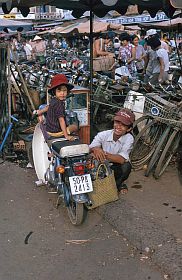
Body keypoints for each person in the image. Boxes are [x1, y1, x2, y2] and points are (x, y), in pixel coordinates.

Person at [89, 108, 135, 194]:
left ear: (128, 129)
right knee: (90, 161)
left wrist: (102, 153)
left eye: (123, 125)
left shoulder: (129, 138)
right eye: (117, 122)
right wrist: (95, 149)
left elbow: (121, 159)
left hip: (115, 165)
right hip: (102, 164)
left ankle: (118, 184)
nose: (118, 126)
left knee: (126, 166)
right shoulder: (103, 134)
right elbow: (90, 148)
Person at [35, 74, 78, 141]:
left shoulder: (53, 100)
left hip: (49, 129)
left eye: (64, 91)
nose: (62, 93)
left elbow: (47, 107)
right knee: (75, 127)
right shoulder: (59, 104)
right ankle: (64, 135)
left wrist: (40, 112)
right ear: (54, 92)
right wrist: (66, 136)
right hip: (55, 132)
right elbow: (61, 120)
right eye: (59, 91)